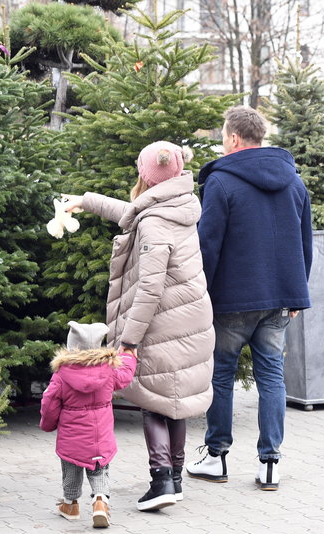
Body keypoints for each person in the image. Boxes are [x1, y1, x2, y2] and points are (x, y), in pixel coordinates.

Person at [62, 141, 215, 512]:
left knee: (152, 400)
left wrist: (128, 341)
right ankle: (174, 480)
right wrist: (86, 200)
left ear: (146, 176)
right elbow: (132, 213)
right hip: (189, 318)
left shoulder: (154, 225)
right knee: (172, 401)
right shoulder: (177, 205)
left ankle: (161, 479)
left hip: (161, 321)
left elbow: (149, 287)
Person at [186, 105, 312, 491]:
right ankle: (270, 463)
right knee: (272, 377)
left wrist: (201, 295)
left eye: (223, 136)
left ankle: (216, 456)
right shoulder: (295, 183)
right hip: (278, 301)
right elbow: (306, 244)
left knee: (221, 375)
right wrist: (296, 294)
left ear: (235, 139)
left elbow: (208, 247)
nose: (221, 144)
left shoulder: (222, 184)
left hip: (231, 301)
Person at [40, 320, 137, 528]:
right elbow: (126, 375)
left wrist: (47, 424)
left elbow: (49, 402)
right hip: (100, 435)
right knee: (99, 467)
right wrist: (128, 355)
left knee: (71, 467)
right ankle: (100, 503)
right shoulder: (109, 369)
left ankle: (70, 505)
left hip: (72, 436)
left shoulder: (62, 375)